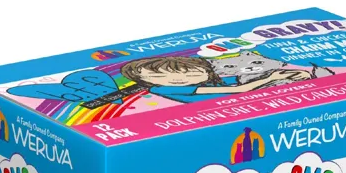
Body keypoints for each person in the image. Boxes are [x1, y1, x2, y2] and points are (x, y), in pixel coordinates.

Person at [120, 56, 305, 103]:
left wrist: (274, 75)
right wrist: (271, 78)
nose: (177, 79)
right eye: (158, 76)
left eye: (188, 73)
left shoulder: (206, 77)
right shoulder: (162, 88)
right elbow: (239, 89)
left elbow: (236, 81)